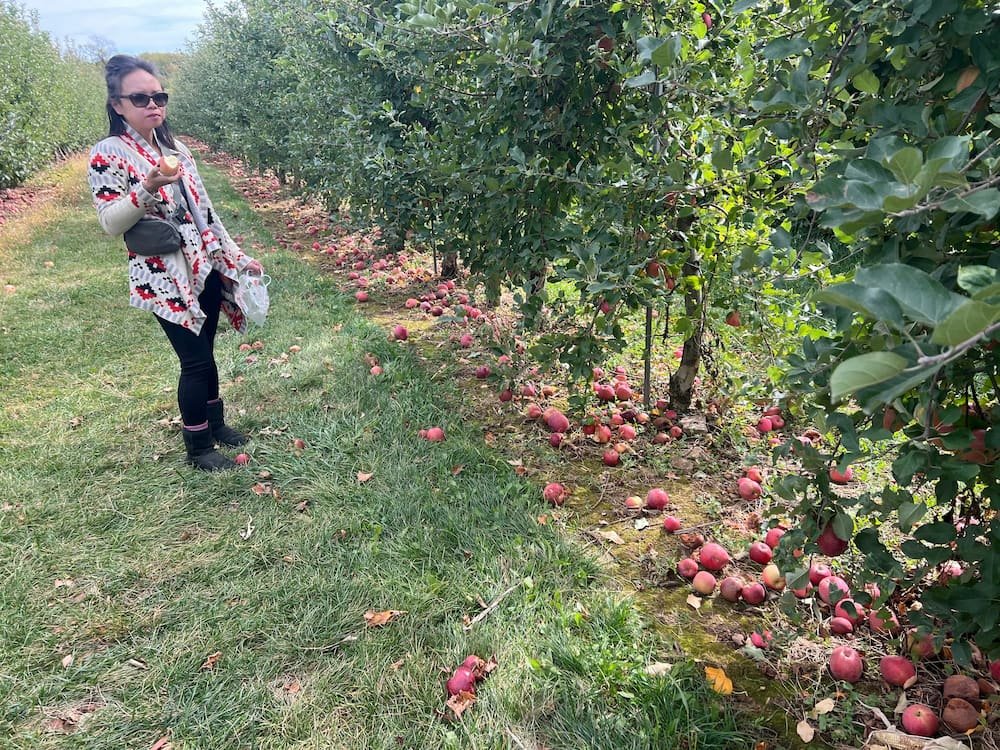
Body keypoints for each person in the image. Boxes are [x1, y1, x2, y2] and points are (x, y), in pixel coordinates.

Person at [87, 55, 263, 471]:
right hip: (164, 275)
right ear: (117, 104)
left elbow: (206, 211)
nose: (153, 104)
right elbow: (111, 222)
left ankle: (215, 425)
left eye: (158, 96)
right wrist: (147, 187)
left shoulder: (175, 149)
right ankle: (198, 447)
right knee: (194, 360)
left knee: (208, 350)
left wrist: (235, 256)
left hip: (202, 265)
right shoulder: (107, 153)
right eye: (140, 97)